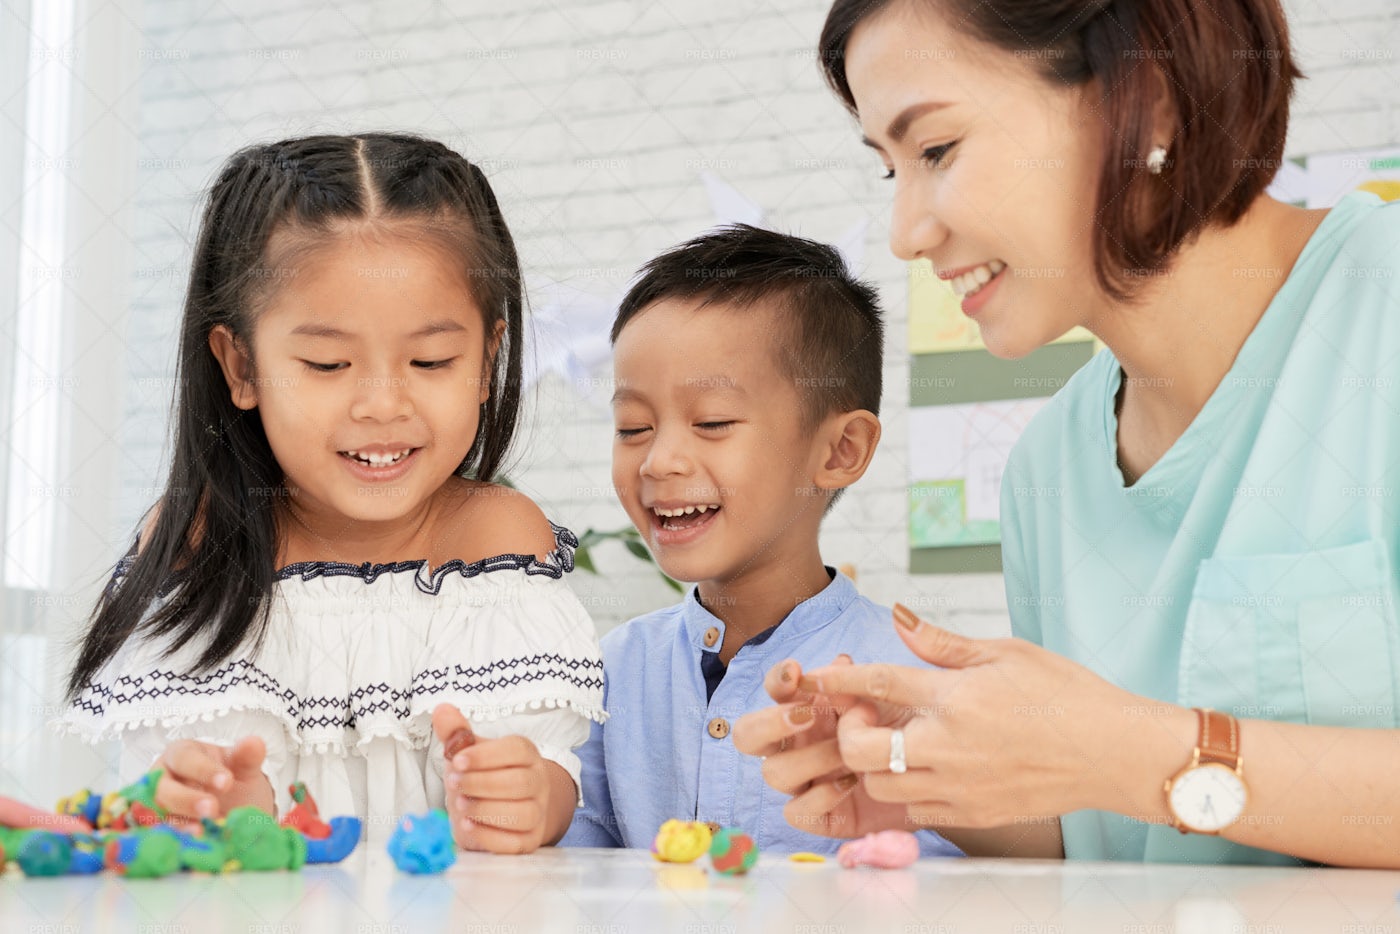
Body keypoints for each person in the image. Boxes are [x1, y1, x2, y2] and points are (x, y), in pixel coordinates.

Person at [735, 0, 1400, 868]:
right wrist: (927, 775)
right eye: (889, 171)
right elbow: (1103, 832)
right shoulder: (1047, 469)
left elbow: (1123, 764)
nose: (905, 234)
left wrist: (1118, 748)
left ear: (1149, 94)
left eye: (935, 149)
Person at [57, 133, 605, 854]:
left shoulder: (497, 542)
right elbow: (194, 804)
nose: (382, 403)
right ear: (241, 365)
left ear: (486, 358)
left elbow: (546, 770)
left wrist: (534, 796)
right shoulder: (200, 541)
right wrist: (219, 802)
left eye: (432, 359)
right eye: (327, 363)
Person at [559, 225, 960, 858]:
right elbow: (573, 878)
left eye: (712, 422)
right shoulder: (607, 672)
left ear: (840, 450)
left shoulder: (914, 685)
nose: (658, 461)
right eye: (632, 426)